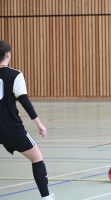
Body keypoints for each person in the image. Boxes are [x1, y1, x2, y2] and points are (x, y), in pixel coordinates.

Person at [0, 40, 55, 200]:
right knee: (37, 158)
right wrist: (39, 124)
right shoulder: (15, 74)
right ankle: (46, 197)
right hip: (12, 129)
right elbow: (24, 101)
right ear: (8, 54)